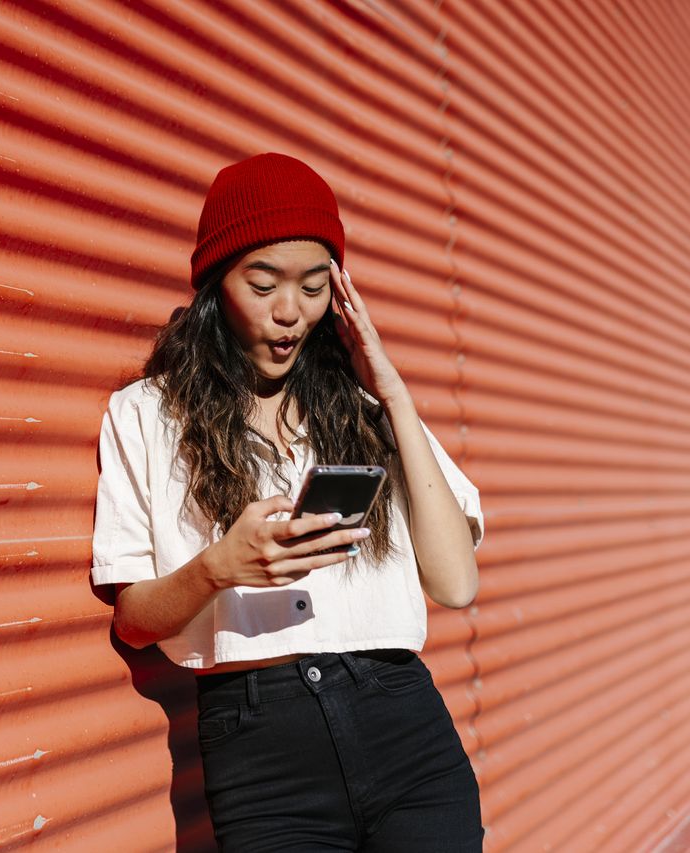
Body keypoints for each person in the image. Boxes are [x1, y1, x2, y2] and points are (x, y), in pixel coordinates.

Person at [90, 153, 487, 851]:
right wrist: (220, 566)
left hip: (404, 728)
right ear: (218, 282)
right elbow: (133, 619)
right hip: (261, 752)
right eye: (263, 282)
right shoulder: (145, 415)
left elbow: (456, 582)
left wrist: (392, 391)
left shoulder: (367, 407)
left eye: (312, 287)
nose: (289, 312)